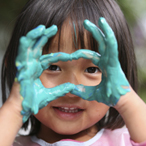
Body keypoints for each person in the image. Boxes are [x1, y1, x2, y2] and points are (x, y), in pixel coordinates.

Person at [0, 0, 146, 146]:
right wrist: (15, 108)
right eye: (53, 67)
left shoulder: (125, 140)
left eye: (92, 69)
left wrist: (127, 101)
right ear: (16, 70)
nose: (71, 90)